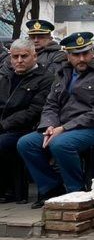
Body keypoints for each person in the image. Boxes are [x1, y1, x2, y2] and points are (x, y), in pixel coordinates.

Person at [16, 32, 94, 207]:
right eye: (76, 54)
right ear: (68, 55)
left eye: (85, 53)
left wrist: (65, 128)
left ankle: (76, 191)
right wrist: (49, 126)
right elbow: (51, 104)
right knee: (26, 143)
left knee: (61, 144)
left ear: (92, 52)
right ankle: (52, 188)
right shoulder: (63, 73)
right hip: (60, 127)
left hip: (92, 128)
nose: (81, 59)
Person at [0, 39, 55, 202]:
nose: (19, 61)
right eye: (15, 57)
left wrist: (3, 125)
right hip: (5, 126)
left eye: (24, 56)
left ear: (34, 56)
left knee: (2, 143)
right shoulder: (6, 76)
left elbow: (34, 111)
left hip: (28, 128)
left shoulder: (46, 78)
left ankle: (9, 189)